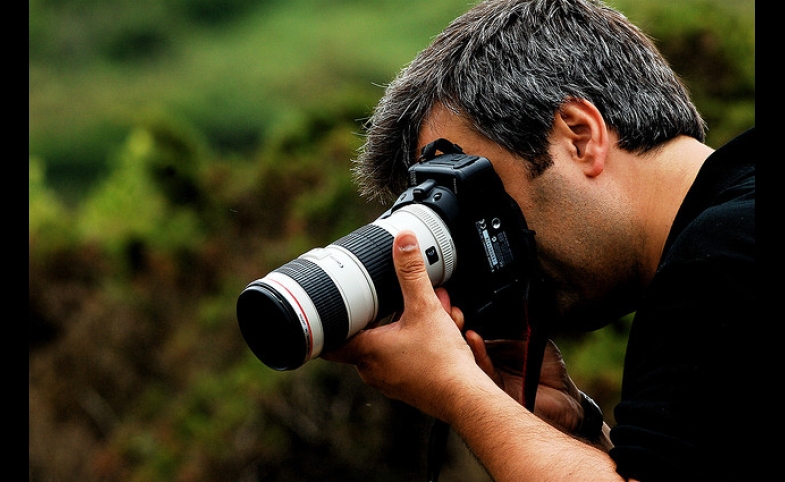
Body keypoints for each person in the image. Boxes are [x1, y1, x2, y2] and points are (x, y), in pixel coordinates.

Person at [323, 0, 755, 480]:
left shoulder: (721, 256)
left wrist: (461, 393)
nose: (483, 254)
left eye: (478, 200)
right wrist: (579, 432)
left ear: (579, 136)